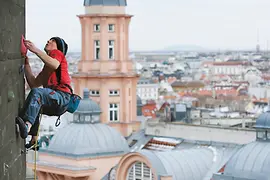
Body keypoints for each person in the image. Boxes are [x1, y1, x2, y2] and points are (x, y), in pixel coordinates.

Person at [16, 37, 72, 150]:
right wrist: (26, 63)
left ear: (58, 48)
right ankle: (34, 139)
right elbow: (34, 84)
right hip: (58, 104)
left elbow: (55, 64)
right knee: (35, 100)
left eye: (53, 41)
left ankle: (27, 126)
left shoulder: (58, 54)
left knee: (38, 94)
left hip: (62, 96)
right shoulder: (47, 70)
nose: (49, 41)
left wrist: (35, 50)